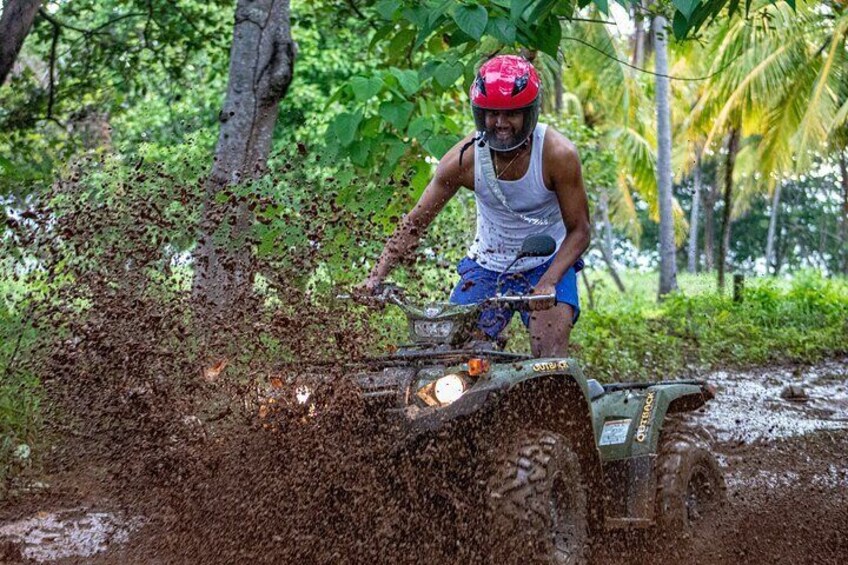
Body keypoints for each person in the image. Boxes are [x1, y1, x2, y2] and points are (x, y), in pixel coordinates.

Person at [361, 54, 590, 357]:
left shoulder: (558, 154)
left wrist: (548, 282)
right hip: (488, 266)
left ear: (529, 114)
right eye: (491, 114)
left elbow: (581, 231)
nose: (500, 123)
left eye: (511, 115)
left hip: (547, 265)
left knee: (548, 355)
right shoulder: (464, 160)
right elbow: (416, 222)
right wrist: (375, 277)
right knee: (451, 355)